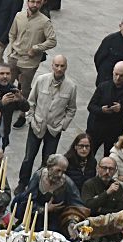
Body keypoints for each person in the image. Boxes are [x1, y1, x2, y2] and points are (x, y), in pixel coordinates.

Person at [18, 55, 77, 190]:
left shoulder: (71, 87)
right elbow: (31, 102)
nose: (59, 68)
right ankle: (22, 183)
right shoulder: (41, 80)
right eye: (57, 65)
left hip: (54, 129)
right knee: (28, 157)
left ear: (66, 67)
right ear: (52, 65)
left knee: (49, 160)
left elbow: (71, 109)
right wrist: (30, 119)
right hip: (37, 125)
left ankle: (41, 184)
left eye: (62, 66)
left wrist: (63, 125)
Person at [6, 0, 57, 129]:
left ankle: (23, 115)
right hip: (14, 57)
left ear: (42, 4)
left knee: (25, 88)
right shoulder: (19, 16)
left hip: (29, 61)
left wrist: (37, 48)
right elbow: (12, 33)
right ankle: (7, 107)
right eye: (32, 1)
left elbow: (52, 40)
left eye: (38, 2)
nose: (35, 5)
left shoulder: (44, 21)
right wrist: (11, 48)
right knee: (8, 83)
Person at [12, 154, 86, 234]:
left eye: (63, 172)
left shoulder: (67, 183)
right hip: (33, 218)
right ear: (50, 167)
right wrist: (45, 209)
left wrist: (72, 221)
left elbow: (77, 206)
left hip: (54, 223)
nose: (60, 175)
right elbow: (27, 201)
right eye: (58, 170)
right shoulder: (38, 176)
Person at [86, 61, 123, 157]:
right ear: (113, 72)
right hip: (97, 128)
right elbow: (91, 106)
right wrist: (101, 110)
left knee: (110, 156)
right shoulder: (103, 86)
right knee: (89, 154)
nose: (118, 78)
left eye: (121, 75)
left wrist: (121, 109)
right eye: (116, 74)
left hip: (114, 131)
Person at [94, 18, 123, 85]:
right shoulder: (110, 39)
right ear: (120, 26)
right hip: (106, 78)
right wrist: (102, 74)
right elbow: (98, 58)